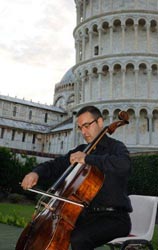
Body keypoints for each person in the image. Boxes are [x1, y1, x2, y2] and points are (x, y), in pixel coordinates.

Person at [21, 105, 132, 250]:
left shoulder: (116, 147)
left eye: (86, 126)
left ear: (100, 122)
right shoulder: (80, 150)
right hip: (86, 215)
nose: (83, 132)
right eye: (80, 128)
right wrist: (35, 173)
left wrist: (88, 159)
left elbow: (124, 165)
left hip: (115, 218)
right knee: (44, 230)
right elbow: (55, 165)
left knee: (79, 239)